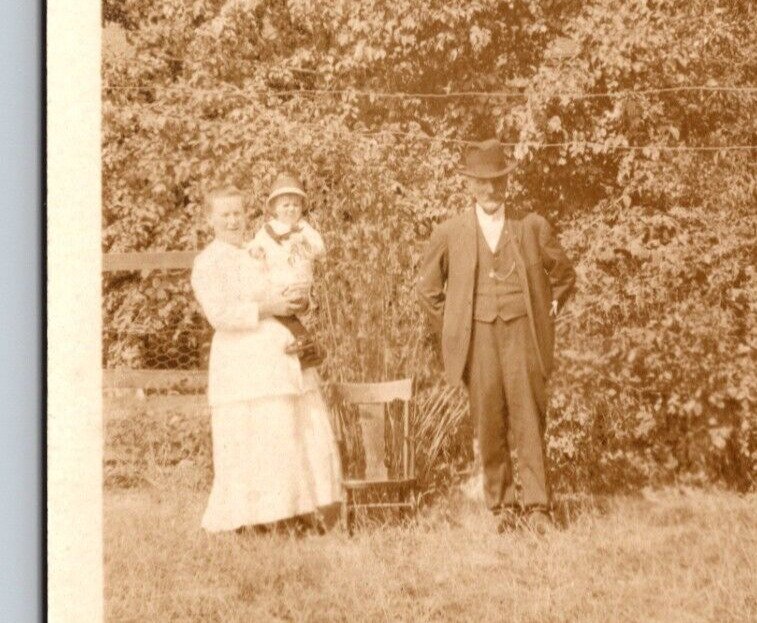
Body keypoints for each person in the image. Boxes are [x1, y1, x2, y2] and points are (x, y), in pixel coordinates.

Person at [417, 139, 576, 535]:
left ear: (508, 182)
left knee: (528, 417)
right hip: (479, 340)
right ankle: (502, 507)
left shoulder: (531, 226)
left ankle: (538, 508)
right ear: (470, 184)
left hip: (524, 334)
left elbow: (564, 275)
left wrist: (549, 307)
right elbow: (427, 291)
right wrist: (454, 329)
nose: (491, 191)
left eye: (498, 181)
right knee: (489, 420)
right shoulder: (450, 231)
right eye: (483, 183)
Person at [190, 184, 341, 533]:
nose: (233, 220)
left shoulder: (254, 251)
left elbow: (283, 286)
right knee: (249, 437)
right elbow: (221, 314)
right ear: (209, 219)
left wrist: (296, 301)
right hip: (241, 365)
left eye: (238, 213)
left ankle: (289, 513)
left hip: (276, 358)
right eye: (224, 214)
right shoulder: (208, 262)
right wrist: (269, 307)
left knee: (283, 434)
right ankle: (251, 519)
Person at [247, 172, 326, 368]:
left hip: (298, 284)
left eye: (296, 205)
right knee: (277, 308)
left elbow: (320, 249)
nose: (291, 209)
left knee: (290, 306)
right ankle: (304, 344)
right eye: (285, 205)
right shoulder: (267, 231)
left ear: (302, 207)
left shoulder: (304, 229)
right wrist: (255, 251)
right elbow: (254, 247)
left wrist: (304, 241)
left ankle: (304, 341)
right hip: (277, 284)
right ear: (274, 208)